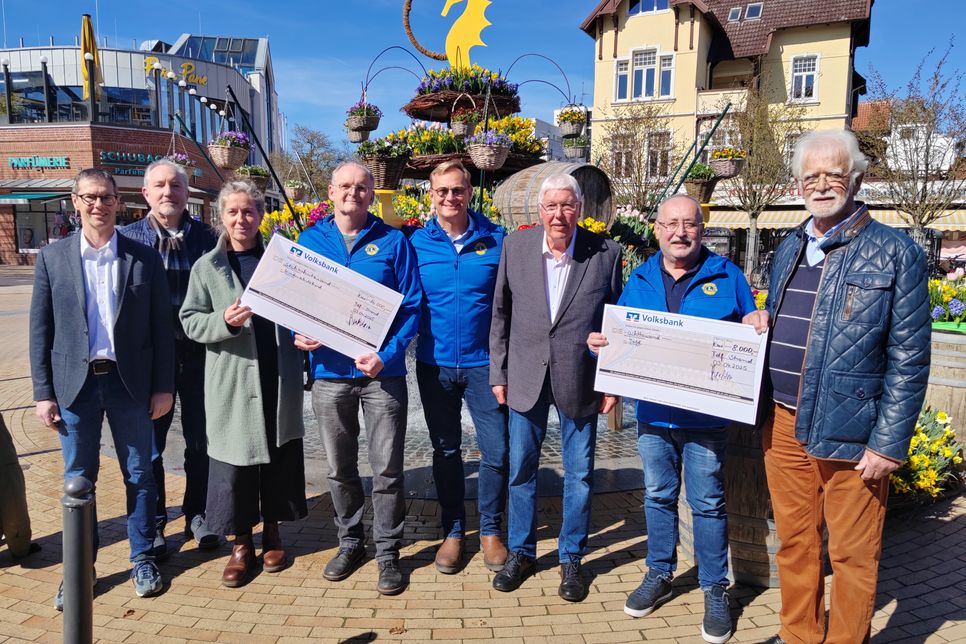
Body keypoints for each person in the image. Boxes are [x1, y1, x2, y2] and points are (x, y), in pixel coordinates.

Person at [743, 129, 930, 644]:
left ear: (856, 177)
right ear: (798, 184)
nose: (822, 184)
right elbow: (790, 317)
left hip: (854, 430)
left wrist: (889, 443)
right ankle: (799, 635)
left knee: (853, 554)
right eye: (811, 176)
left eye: (833, 174)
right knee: (795, 545)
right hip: (783, 424)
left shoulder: (896, 252)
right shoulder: (789, 246)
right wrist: (763, 319)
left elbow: (910, 359)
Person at [588, 194, 755, 643]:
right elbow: (620, 337)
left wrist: (759, 321)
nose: (681, 232)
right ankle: (660, 571)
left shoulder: (728, 275)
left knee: (707, 503)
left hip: (706, 419)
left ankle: (714, 588)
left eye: (690, 224)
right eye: (671, 224)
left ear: (701, 229)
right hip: (654, 417)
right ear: (658, 229)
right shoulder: (638, 278)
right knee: (658, 495)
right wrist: (601, 347)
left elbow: (751, 334)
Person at [29, 168, 174, 607]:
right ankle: (80, 570)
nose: (98, 205)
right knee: (79, 479)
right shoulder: (52, 258)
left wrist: (163, 387)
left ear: (118, 201)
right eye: (89, 197)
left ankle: (142, 556)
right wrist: (42, 392)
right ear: (75, 202)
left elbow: (162, 329)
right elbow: (41, 330)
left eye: (106, 197)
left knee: (140, 474)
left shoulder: (143, 257)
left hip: (130, 384)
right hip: (75, 387)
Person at [488, 174, 622, 602]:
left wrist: (613, 381)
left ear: (579, 210)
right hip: (525, 376)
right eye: (551, 206)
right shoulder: (516, 247)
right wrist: (498, 373)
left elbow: (617, 322)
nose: (559, 214)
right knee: (521, 470)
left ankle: (572, 559)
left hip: (579, 379)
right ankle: (523, 553)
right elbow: (500, 316)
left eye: (567, 206)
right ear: (540, 210)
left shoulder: (606, 254)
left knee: (579, 475)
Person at [294, 161, 422, 595]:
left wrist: (386, 356)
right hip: (330, 373)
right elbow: (295, 302)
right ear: (331, 192)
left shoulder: (393, 242)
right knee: (340, 468)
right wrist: (299, 331)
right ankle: (350, 542)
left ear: (372, 194)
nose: (354, 193)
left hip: (380, 376)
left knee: (387, 470)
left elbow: (411, 307)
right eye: (345, 186)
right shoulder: (310, 240)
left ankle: (388, 552)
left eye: (362, 187)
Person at [180, 181, 307, 588]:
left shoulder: (283, 260)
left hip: (277, 376)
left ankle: (272, 533)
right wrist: (223, 322)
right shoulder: (207, 266)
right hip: (234, 381)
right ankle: (240, 545)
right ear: (221, 216)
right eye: (233, 212)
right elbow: (189, 320)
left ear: (261, 214)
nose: (241, 219)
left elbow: (305, 308)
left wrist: (306, 333)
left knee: (276, 454)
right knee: (235, 464)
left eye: (249, 211)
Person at [407, 161, 509, 574]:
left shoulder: (496, 240)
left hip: (486, 365)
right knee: (446, 449)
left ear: (470, 192)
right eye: (442, 191)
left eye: (458, 190)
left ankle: (490, 530)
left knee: (497, 451)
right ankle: (452, 529)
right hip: (435, 365)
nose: (450, 197)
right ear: (430, 195)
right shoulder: (415, 243)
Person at [119, 159, 220, 556]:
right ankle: (157, 521)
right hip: (149, 362)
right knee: (151, 446)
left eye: (175, 186)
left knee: (201, 440)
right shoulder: (127, 239)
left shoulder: (210, 238)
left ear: (187, 192)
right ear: (146, 193)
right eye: (159, 185)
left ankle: (198, 513)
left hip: (200, 356)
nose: (168, 193)